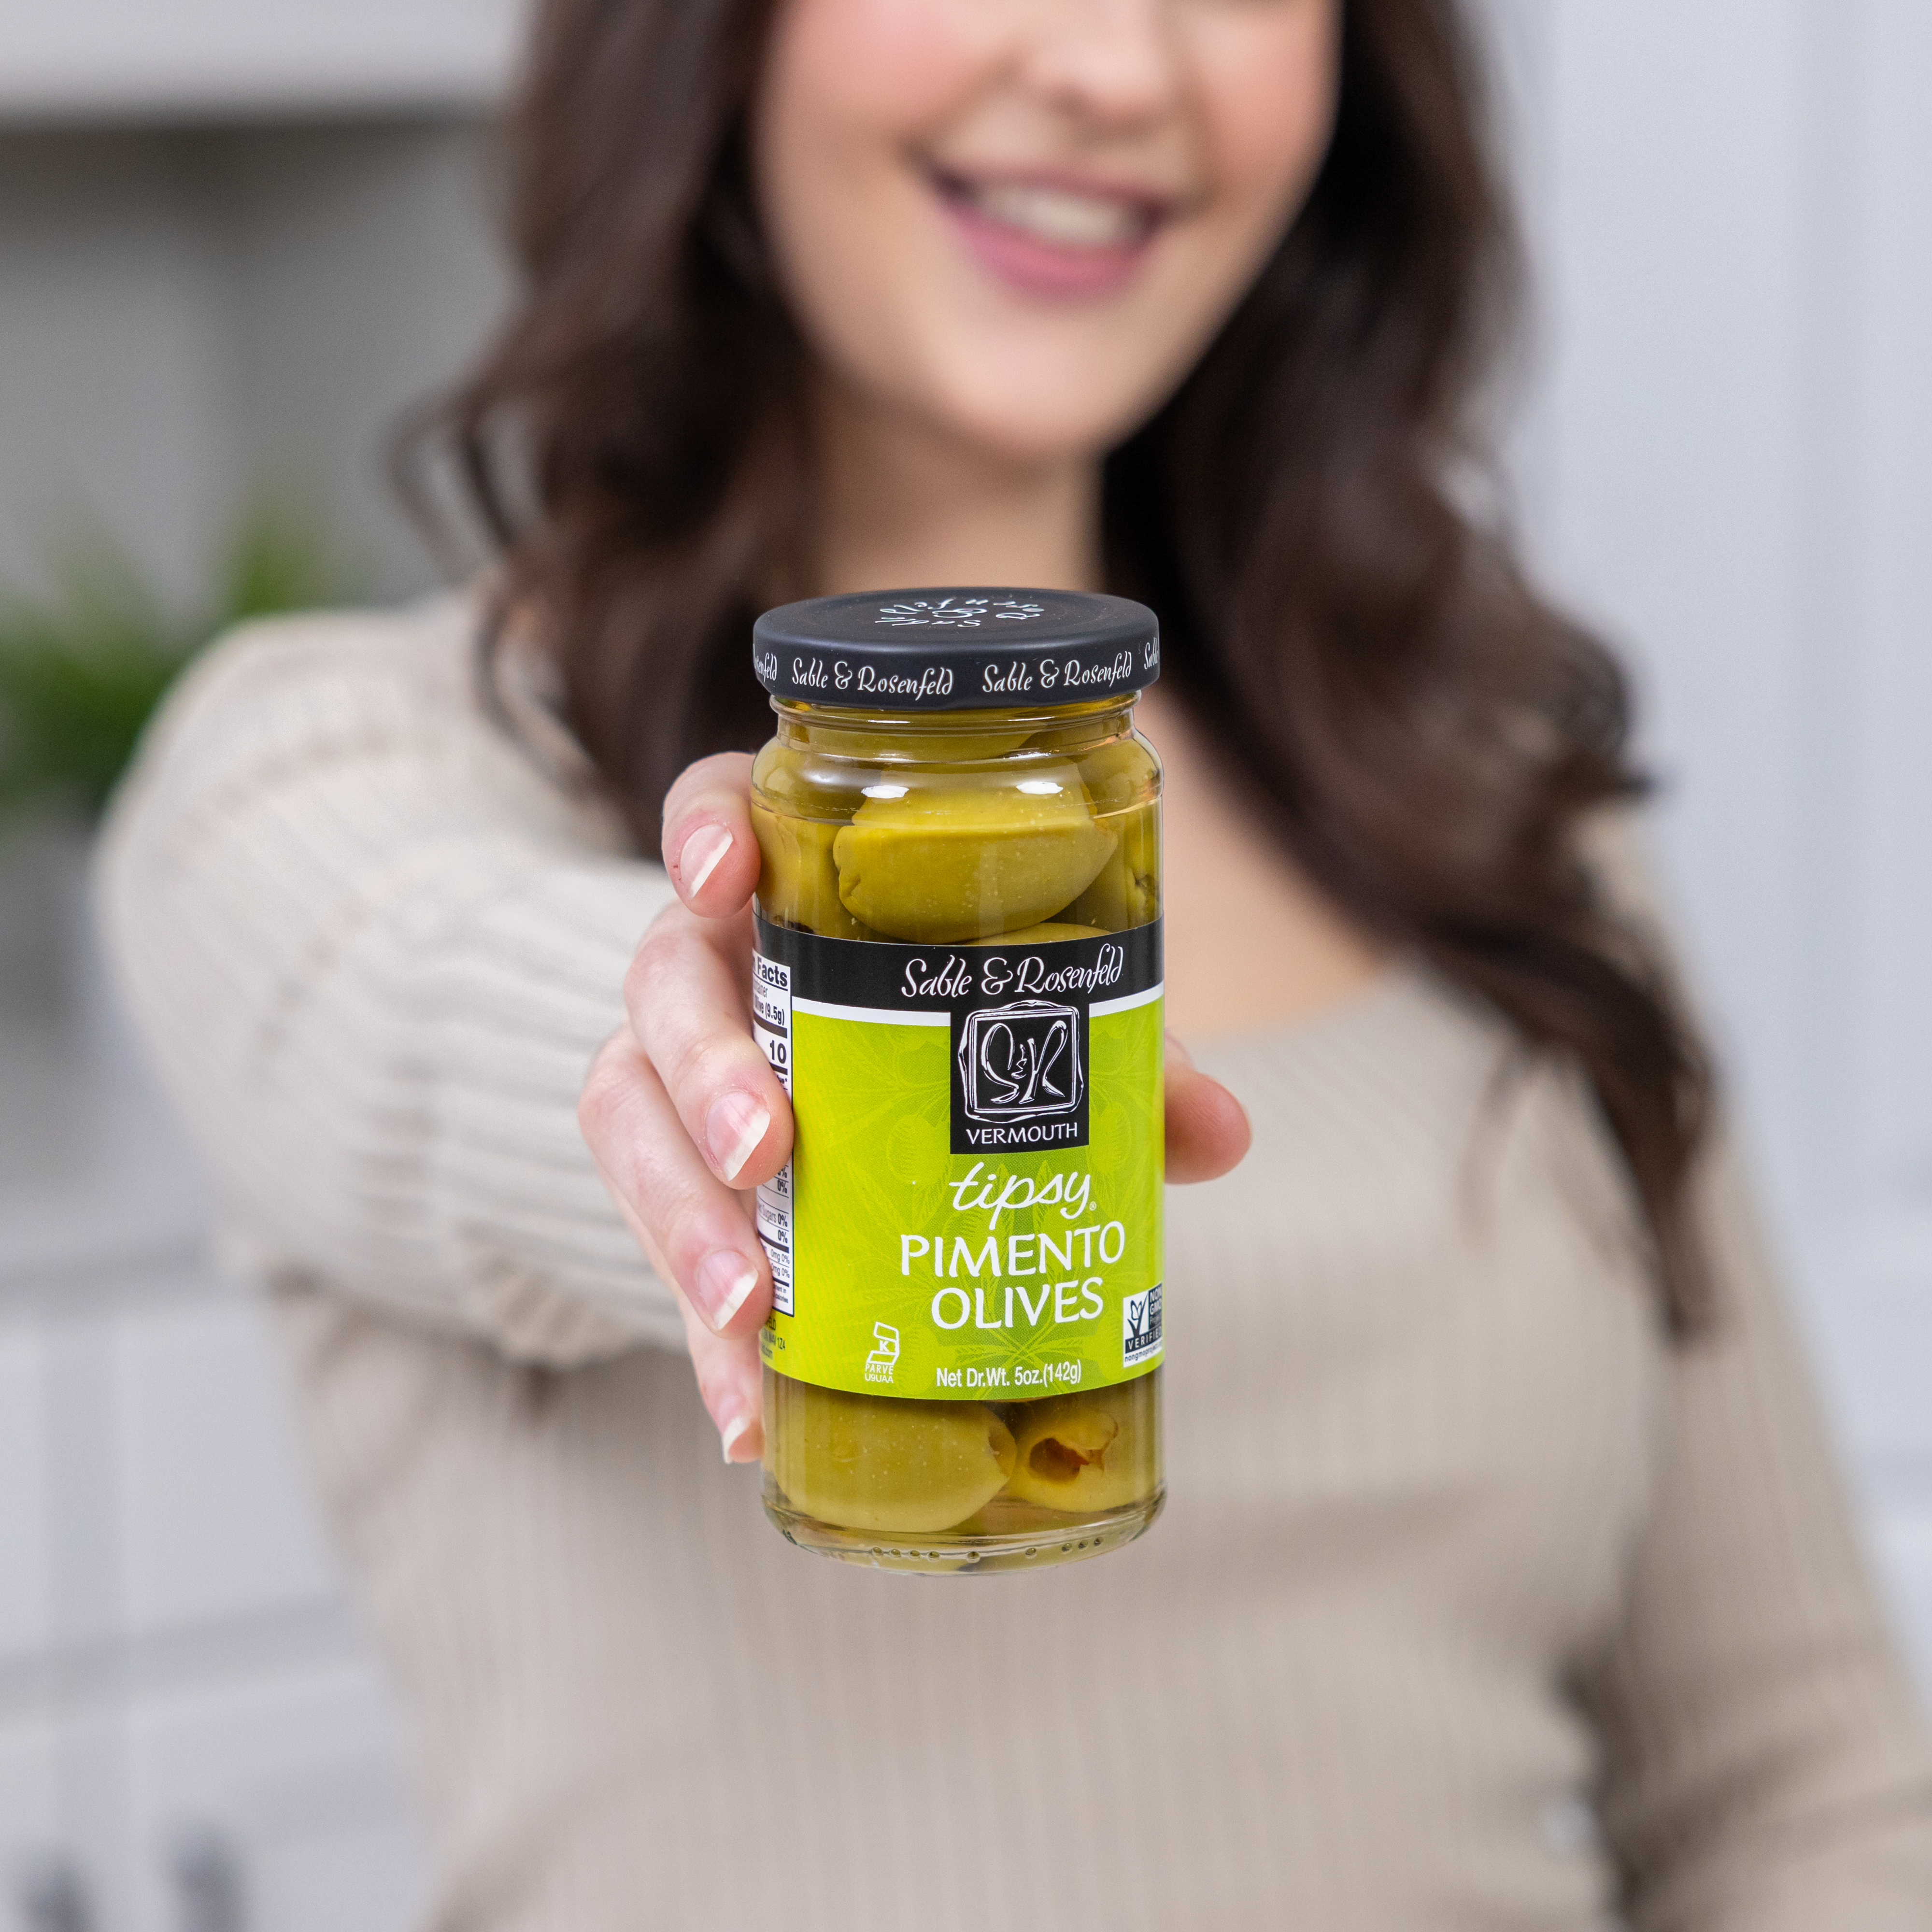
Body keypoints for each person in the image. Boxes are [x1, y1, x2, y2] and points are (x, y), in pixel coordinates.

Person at [99, 0, 1932, 1925]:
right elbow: (429, 1009)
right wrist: (730, 1047)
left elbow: (1803, 1781)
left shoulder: (1492, 811)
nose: (1115, 68)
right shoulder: (314, 775)